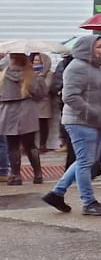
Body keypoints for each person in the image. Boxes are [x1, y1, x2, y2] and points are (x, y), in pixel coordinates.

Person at [44, 35, 101, 217]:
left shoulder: (97, 66)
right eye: (99, 46)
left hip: (95, 122)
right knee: (85, 162)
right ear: (87, 48)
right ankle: (88, 202)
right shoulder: (77, 68)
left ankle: (57, 193)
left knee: (85, 160)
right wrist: (93, 112)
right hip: (80, 122)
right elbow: (70, 96)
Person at [2, 52, 49, 185]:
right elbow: (40, 95)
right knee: (30, 144)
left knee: (12, 145)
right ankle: (38, 174)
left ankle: (16, 175)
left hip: (7, 110)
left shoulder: (3, 74)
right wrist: (39, 79)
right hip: (27, 110)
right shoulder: (30, 74)